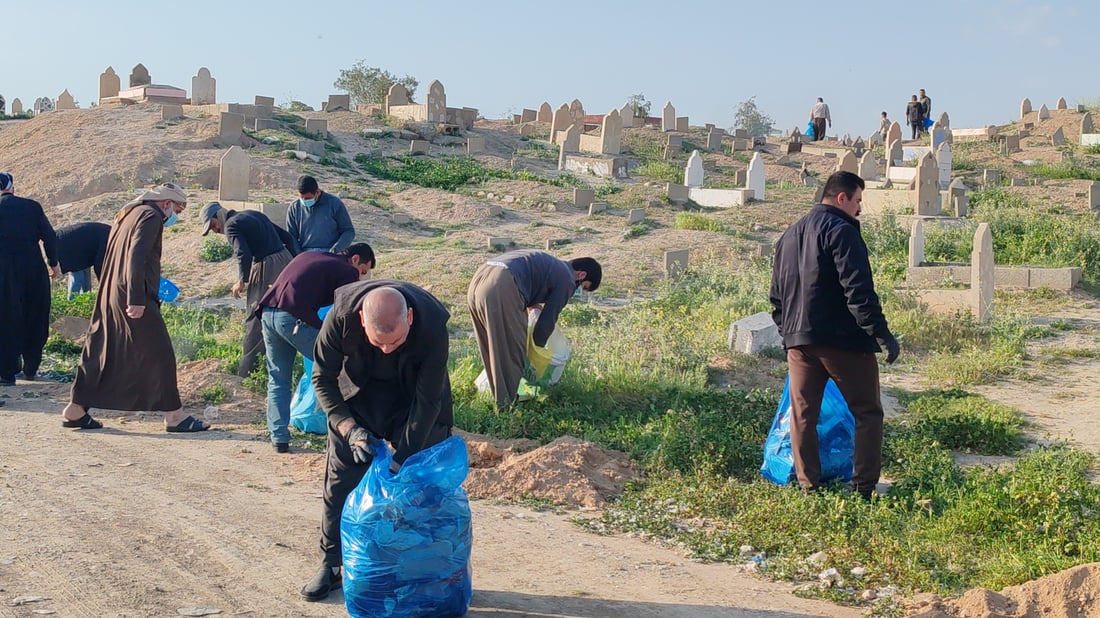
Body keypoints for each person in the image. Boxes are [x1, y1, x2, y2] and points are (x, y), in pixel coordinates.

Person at [301, 280, 454, 601]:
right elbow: (322, 378)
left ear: (409, 317)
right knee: (340, 484)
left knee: (419, 487)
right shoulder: (341, 317)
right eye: (378, 342)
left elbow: (429, 401)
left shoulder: (433, 325)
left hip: (411, 402)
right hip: (356, 400)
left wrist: (404, 454)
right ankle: (331, 565)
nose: (386, 349)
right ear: (362, 322)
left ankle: (418, 568)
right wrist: (347, 428)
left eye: (395, 341)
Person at [770, 171, 900, 500]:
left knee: (803, 415)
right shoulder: (842, 231)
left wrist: (790, 335)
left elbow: (776, 298)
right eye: (857, 200)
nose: (860, 209)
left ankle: (809, 487)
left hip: (799, 343)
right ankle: (863, 489)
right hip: (842, 341)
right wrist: (882, 334)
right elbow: (858, 292)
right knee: (868, 412)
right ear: (841, 198)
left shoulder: (789, 235)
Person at [61, 183, 208, 433]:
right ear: (167, 204)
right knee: (160, 352)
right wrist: (136, 299)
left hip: (112, 292)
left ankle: (76, 409)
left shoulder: (130, 213)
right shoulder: (151, 216)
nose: (176, 216)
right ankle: (174, 416)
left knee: (103, 348)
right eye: (178, 210)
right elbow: (136, 256)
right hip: (131, 294)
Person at [255, 243, 375, 453]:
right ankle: (346, 435)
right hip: (292, 320)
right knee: (340, 371)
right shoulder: (347, 270)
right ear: (355, 259)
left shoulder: (312, 255)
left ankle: (279, 438)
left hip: (267, 314)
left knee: (278, 378)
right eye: (363, 271)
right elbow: (347, 313)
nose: (361, 277)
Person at [467, 250, 602, 411]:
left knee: (492, 344)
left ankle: (487, 397)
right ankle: (503, 409)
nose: (577, 289)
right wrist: (535, 347)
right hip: (502, 284)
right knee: (513, 351)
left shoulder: (552, 265)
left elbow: (529, 283)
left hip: (480, 279)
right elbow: (548, 319)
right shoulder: (567, 279)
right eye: (582, 286)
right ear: (581, 275)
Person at [200, 202, 296, 378]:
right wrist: (295, 261)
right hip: (285, 260)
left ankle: (247, 371)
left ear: (217, 215)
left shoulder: (231, 225)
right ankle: (277, 366)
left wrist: (241, 280)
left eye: (213, 225)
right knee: (280, 312)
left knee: (256, 314)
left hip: (267, 265)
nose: (215, 230)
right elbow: (287, 237)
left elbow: (243, 253)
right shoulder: (252, 214)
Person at [0, 172, 61, 385]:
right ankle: (30, 368)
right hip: (33, 269)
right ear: (12, 187)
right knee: (35, 315)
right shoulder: (32, 207)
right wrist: (53, 262)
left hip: (4, 272)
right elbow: (49, 236)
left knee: (7, 318)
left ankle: (7, 373)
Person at [286, 175, 355, 254]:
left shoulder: (334, 204)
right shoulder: (294, 207)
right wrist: (298, 254)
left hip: (330, 252)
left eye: (308, 198)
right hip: (305, 253)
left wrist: (335, 250)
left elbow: (348, 231)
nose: (304, 201)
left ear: (317, 192)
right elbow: (291, 236)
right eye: (302, 198)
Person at [55, 222, 111, 299]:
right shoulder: (109, 236)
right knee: (78, 278)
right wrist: (103, 285)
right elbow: (99, 264)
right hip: (68, 244)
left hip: (77, 245)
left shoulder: (108, 232)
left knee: (85, 275)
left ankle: (87, 300)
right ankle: (71, 305)